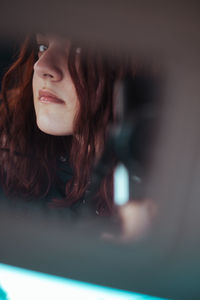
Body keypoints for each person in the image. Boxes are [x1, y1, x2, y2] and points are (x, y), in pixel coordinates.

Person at [0, 33, 130, 217]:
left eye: (79, 51)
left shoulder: (159, 190)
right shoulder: (10, 159)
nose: (41, 66)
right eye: (43, 47)